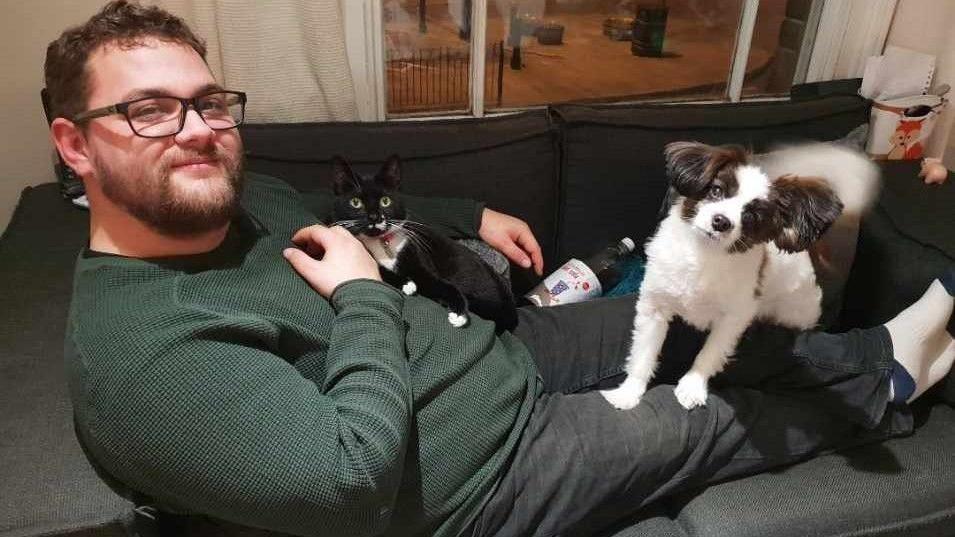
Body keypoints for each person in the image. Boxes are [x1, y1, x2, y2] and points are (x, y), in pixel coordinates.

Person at [47, 2, 955, 537]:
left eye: (209, 103)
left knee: (698, 321)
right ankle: (888, 383)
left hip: (500, 347)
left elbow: (346, 216)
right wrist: (364, 292)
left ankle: (871, 352)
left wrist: (464, 214)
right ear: (74, 145)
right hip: (480, 473)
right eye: (149, 113)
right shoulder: (141, 357)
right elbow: (348, 472)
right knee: (712, 419)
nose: (200, 129)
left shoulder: (233, 198)